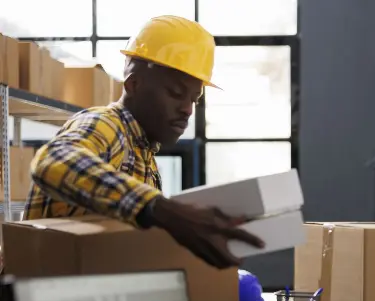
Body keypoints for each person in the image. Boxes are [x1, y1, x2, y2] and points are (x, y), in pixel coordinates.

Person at [22, 15, 264, 269]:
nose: (187, 110)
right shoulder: (106, 124)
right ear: (134, 84)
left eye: (194, 99)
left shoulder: (143, 154)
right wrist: (162, 210)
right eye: (176, 93)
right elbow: (52, 161)